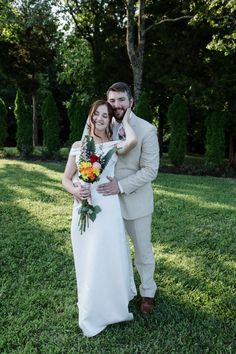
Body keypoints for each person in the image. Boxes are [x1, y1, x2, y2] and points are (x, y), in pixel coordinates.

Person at [62, 99, 138, 337]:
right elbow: (65, 178)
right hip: (84, 205)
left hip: (108, 207)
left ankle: (113, 305)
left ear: (110, 120)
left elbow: (133, 140)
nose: (100, 119)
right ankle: (92, 306)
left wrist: (125, 118)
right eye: (97, 114)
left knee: (109, 255)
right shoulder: (79, 145)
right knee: (88, 257)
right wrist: (75, 191)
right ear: (91, 117)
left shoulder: (115, 145)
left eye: (105, 115)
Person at [96, 82, 159, 315]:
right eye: (112, 100)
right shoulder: (101, 126)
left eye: (121, 100)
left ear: (131, 101)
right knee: (112, 251)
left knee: (142, 251)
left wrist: (120, 186)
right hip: (106, 204)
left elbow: (150, 170)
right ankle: (118, 290)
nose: (116, 105)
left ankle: (148, 293)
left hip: (135, 202)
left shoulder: (146, 129)